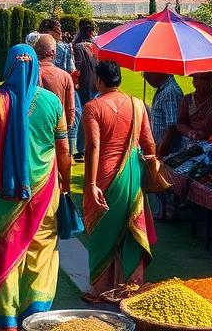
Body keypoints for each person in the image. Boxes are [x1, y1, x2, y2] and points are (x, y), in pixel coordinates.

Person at [0, 45, 71, 327]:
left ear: (9, 66)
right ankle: (34, 317)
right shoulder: (52, 102)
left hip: (2, 193)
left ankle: (5, 319)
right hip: (44, 192)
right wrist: (66, 187)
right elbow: (64, 152)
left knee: (4, 250)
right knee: (41, 254)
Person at [82, 60, 157, 299]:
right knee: (131, 227)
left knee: (101, 230)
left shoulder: (93, 107)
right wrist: (151, 167)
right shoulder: (137, 104)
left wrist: (92, 184)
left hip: (104, 176)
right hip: (132, 175)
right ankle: (132, 286)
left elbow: (93, 146)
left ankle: (101, 288)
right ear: (119, 80)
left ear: (99, 80)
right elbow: (149, 143)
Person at [34, 35, 76, 138]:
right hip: (56, 129)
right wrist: (65, 129)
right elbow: (70, 109)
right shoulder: (65, 77)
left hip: (32, 129)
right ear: (53, 52)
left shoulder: (28, 73)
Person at [176, 72, 212, 142]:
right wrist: (190, 132)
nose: (198, 82)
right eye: (195, 78)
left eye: (202, 78)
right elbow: (181, 123)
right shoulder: (188, 99)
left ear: (211, 80)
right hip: (192, 144)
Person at [144, 72, 184, 159]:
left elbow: (171, 127)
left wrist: (159, 155)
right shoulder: (163, 89)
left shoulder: (170, 92)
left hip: (168, 153)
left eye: (147, 75)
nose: (145, 78)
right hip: (161, 148)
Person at [72, 27, 98, 160]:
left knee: (83, 116)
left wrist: (75, 82)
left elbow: (78, 67)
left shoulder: (79, 47)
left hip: (85, 85)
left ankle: (81, 148)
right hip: (97, 84)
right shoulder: (95, 46)